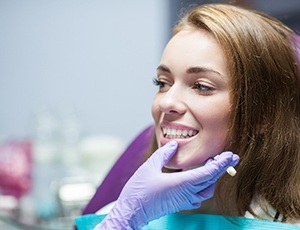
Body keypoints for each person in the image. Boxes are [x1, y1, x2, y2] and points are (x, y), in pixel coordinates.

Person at [92, 3, 300, 229]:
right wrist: (125, 218)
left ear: (263, 116)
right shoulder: (120, 215)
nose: (167, 102)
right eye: (162, 83)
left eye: (201, 86)